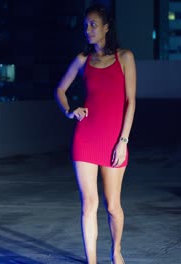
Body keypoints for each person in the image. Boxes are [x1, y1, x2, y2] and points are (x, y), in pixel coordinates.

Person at [55, 4, 136, 264]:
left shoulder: (125, 57)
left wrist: (123, 141)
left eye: (93, 24)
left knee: (113, 206)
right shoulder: (82, 60)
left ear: (106, 28)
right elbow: (60, 90)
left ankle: (116, 252)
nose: (88, 30)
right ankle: (91, 261)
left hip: (115, 139)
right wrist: (69, 111)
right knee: (89, 204)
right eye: (85, 25)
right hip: (86, 138)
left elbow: (131, 102)